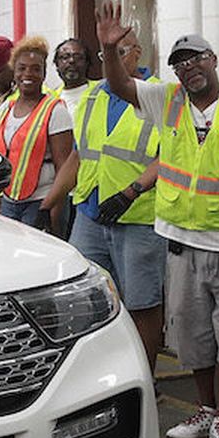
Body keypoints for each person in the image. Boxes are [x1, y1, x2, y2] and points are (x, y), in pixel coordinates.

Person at [97, 5, 219, 438]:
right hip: (181, 241)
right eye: (181, 63)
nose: (189, 68)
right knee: (192, 333)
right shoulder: (169, 102)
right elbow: (120, 85)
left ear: (214, 59)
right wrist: (108, 48)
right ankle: (204, 409)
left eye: (196, 58)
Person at [43, 32, 165, 374]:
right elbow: (80, 155)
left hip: (137, 217)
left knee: (142, 304)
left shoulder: (158, 94)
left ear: (138, 53)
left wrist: (132, 192)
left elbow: (168, 156)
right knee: (85, 300)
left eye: (121, 52)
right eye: (106, 53)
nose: (112, 59)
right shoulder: (95, 94)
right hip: (90, 215)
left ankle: (143, 377)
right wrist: (48, 204)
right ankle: (99, 376)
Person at [0, 36, 74, 229]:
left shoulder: (55, 111)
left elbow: (65, 170)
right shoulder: (5, 109)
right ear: (14, 71)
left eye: (36, 69)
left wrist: (52, 214)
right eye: (22, 68)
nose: (29, 74)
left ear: (44, 74)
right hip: (9, 201)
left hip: (41, 202)